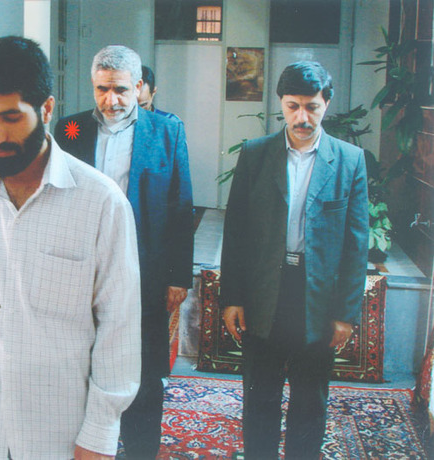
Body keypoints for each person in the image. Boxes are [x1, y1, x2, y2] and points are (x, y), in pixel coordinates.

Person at [0, 36, 142, 460]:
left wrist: (99, 431)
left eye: (10, 117)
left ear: (47, 109)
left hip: (58, 428)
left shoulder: (101, 202)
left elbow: (119, 326)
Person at [221, 61, 369, 459]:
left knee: (309, 400)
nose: (302, 118)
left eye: (312, 107)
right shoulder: (255, 155)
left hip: (316, 298)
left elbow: (356, 245)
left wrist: (345, 314)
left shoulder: (350, 161)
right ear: (281, 105)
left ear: (327, 104)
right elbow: (235, 232)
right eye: (292, 107)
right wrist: (232, 297)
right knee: (260, 397)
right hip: (264, 292)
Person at [55, 45, 194, 459]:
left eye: (120, 89)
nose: (111, 100)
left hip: (144, 270)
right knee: (80, 363)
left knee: (143, 369)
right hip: (83, 269)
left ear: (138, 86)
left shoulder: (165, 132)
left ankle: (139, 450)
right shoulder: (70, 129)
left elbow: (181, 204)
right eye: (102, 89)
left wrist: (178, 276)